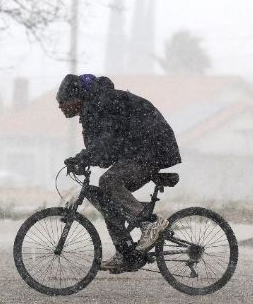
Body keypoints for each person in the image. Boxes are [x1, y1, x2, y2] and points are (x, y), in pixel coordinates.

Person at [57, 73, 181, 272]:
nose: (60, 107)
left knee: (109, 181)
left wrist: (83, 158)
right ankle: (126, 254)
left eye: (63, 102)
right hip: (140, 149)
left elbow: (107, 140)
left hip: (152, 147)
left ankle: (151, 223)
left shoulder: (103, 102)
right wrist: (84, 159)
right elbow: (105, 154)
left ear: (76, 98)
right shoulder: (92, 110)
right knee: (108, 201)